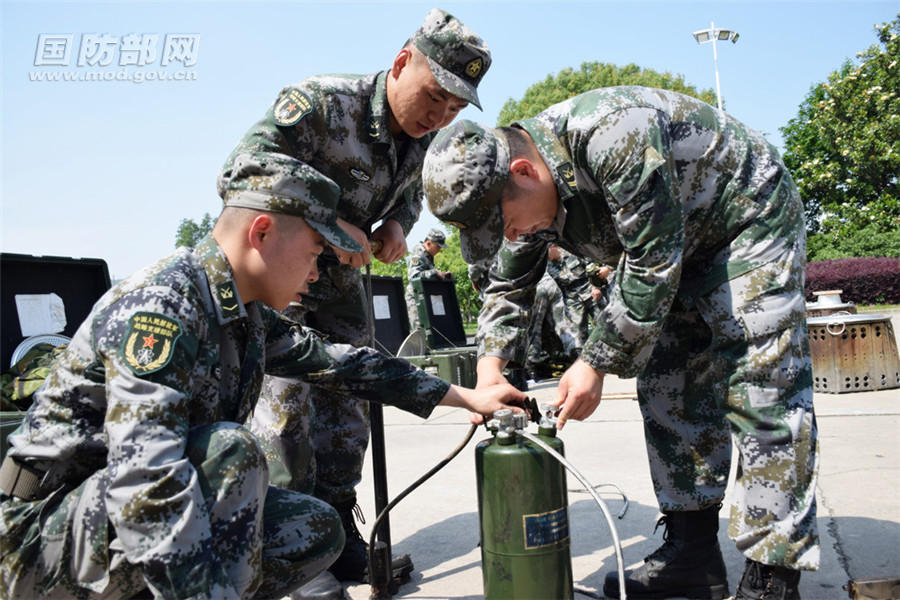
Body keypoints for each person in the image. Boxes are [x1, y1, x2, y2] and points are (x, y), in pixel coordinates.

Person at [0, 165, 524, 600]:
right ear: (262, 233)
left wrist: (468, 397)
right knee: (231, 452)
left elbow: (344, 364)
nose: (317, 273)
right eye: (316, 251)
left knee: (313, 531)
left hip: (107, 528)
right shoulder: (163, 306)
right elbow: (148, 485)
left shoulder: (240, 312)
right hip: (38, 543)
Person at [422, 86, 819, 600]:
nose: (512, 233)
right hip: (675, 245)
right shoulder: (524, 194)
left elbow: (653, 263)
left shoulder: (615, 133)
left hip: (742, 221)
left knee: (761, 382)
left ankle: (772, 574)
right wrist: (490, 368)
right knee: (669, 384)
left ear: (523, 172)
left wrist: (595, 362)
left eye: (506, 222)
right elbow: (509, 284)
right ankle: (693, 554)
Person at [216, 7, 491, 586]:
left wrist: (397, 226)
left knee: (348, 414)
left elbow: (409, 197)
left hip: (343, 290)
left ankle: (337, 530)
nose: (440, 113)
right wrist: (333, 224)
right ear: (400, 63)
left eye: (455, 107)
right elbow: (242, 172)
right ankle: (296, 552)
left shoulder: (423, 137)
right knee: (286, 410)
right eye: (435, 95)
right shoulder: (320, 103)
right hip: (279, 279)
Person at [406, 228, 453, 330]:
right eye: (437, 247)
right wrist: (435, 272)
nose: (439, 250)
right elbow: (414, 276)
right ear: (428, 243)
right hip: (415, 298)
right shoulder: (417, 254)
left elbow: (426, 275)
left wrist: (444, 275)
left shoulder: (428, 254)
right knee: (420, 332)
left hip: (426, 297)